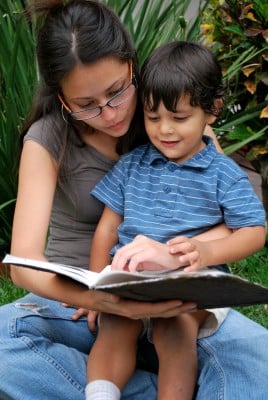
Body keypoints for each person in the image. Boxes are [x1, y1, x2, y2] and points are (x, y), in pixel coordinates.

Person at [0, 0, 267, 399]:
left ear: (131, 65)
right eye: (87, 105)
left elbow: (236, 218)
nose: (109, 115)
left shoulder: (168, 116)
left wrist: (173, 256)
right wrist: (100, 299)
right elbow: (24, 265)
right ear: (62, 100)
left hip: (179, 297)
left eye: (116, 92)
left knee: (258, 362)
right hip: (78, 307)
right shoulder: (47, 139)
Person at [86, 41, 266, 400]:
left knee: (176, 330)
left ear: (212, 111)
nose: (165, 130)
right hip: (132, 279)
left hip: (191, 288)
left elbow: (254, 232)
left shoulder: (223, 174)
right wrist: (95, 285)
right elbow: (107, 227)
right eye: (153, 118)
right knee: (115, 328)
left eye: (179, 118)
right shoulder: (133, 164)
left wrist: (205, 250)